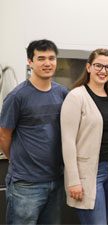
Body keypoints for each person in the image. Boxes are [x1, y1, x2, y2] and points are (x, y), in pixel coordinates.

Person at [0, 39, 68, 225]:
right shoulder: (17, 96)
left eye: (51, 58)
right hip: (26, 184)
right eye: (41, 58)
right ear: (30, 62)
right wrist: (16, 160)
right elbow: (4, 135)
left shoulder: (62, 93)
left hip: (55, 180)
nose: (47, 63)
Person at [60, 48, 108, 225]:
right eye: (98, 66)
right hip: (89, 173)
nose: (103, 71)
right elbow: (68, 141)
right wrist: (73, 180)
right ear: (88, 67)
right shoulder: (76, 96)